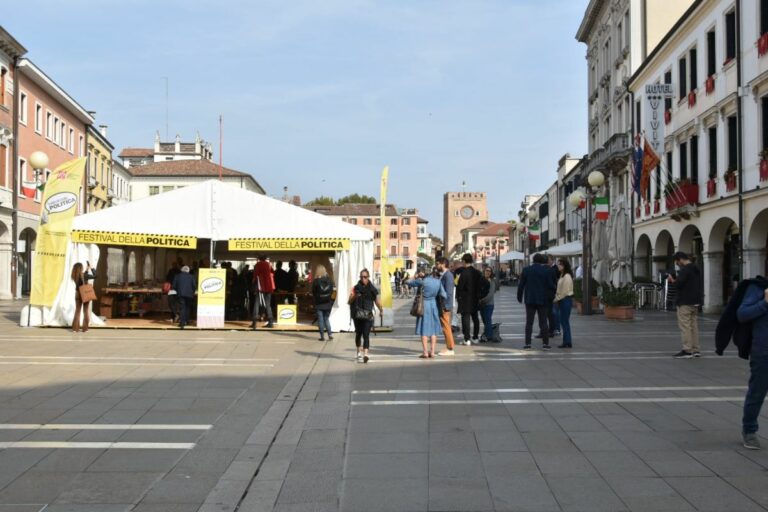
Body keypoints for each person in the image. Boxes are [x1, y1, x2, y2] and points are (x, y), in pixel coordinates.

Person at [737, 282, 768, 449]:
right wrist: (765, 303)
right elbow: (742, 314)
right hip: (764, 352)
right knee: (757, 392)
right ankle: (749, 429)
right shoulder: (757, 289)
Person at [667, 251, 703, 358]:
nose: (678, 264)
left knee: (685, 326)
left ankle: (687, 350)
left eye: (677, 262)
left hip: (685, 301)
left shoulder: (685, 270)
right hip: (695, 301)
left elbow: (678, 284)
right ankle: (696, 349)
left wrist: (672, 280)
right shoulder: (696, 269)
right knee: (694, 326)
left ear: (681, 259)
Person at [517, 253, 556, 350]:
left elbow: (521, 285)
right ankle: (545, 344)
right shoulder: (546, 271)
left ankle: (528, 344)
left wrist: (519, 297)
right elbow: (551, 285)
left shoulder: (526, 270)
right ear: (542, 261)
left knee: (529, 322)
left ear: (533, 260)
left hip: (530, 299)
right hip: (543, 300)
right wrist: (553, 293)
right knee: (543, 322)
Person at [407, 268, 448, 358]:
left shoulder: (423, 281)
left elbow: (409, 282)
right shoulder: (438, 282)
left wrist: (415, 277)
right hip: (434, 306)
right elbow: (444, 295)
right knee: (433, 330)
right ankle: (432, 352)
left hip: (423, 306)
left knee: (424, 329)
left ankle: (425, 352)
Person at [349, 269, 383, 363]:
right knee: (358, 334)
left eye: (365, 277)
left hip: (368, 314)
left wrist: (381, 309)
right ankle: (358, 352)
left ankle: (366, 355)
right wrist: (355, 296)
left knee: (366, 334)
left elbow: (376, 300)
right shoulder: (355, 288)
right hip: (357, 315)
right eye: (361, 277)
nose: (363, 279)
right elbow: (349, 301)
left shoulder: (372, 289)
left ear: (368, 277)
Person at [456, 253, 482, 345]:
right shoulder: (478, 272)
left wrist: (458, 297)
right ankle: (475, 337)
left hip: (465, 299)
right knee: (475, 318)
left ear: (464, 261)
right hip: (475, 299)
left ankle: (467, 339)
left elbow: (459, 286)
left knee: (465, 319)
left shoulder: (463, 273)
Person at [436, 257, 456, 355]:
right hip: (444, 305)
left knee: (446, 327)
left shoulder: (448, 276)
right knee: (445, 326)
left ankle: (450, 348)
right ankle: (449, 347)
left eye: (438, 264)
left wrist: (444, 306)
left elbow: (448, 293)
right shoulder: (445, 275)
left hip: (445, 306)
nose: (437, 266)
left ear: (443, 264)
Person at [538, 254, 560, 339]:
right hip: (550, 295)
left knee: (542, 315)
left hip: (541, 295)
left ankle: (543, 332)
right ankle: (551, 331)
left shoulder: (539, 270)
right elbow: (554, 282)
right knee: (550, 314)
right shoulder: (551, 270)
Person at [554, 259, 574, 348]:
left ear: (564, 266)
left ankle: (567, 341)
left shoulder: (567, 276)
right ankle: (567, 341)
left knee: (564, 321)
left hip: (565, 299)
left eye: (560, 265)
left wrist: (557, 299)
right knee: (564, 321)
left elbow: (565, 291)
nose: (558, 266)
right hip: (563, 299)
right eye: (558, 264)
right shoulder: (562, 275)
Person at [71, 262, 96, 333]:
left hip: (77, 294)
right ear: (81, 268)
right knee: (85, 311)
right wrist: (92, 268)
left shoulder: (74, 275)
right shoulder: (85, 275)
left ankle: (75, 329)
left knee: (77, 311)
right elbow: (95, 275)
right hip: (85, 293)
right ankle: (85, 329)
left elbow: (82, 276)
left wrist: (87, 270)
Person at [312, 265, 335, 341]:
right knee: (326, 319)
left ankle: (322, 336)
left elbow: (313, 292)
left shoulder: (316, 281)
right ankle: (330, 334)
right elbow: (332, 291)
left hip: (319, 303)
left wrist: (317, 298)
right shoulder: (330, 281)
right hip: (327, 303)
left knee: (320, 320)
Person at [252, 255, 275, 329]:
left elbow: (255, 276)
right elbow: (272, 274)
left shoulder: (258, 265)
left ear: (259, 258)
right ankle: (271, 322)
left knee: (256, 303)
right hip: (269, 286)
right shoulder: (269, 264)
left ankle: (254, 322)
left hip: (260, 286)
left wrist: (253, 284)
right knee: (268, 304)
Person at [172, 265, 196, 329]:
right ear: (188, 270)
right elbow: (194, 286)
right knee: (187, 307)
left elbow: (173, 286)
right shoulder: (191, 277)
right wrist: (192, 292)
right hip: (189, 294)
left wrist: (178, 290)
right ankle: (187, 321)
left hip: (180, 294)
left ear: (181, 270)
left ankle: (182, 323)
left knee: (182, 308)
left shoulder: (177, 276)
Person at [479, 267, 497, 343]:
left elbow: (490, 294)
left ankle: (488, 336)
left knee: (488, 320)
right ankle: (487, 333)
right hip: (482, 304)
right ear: (484, 271)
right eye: (486, 270)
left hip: (489, 304)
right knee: (484, 320)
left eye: (489, 271)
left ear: (491, 273)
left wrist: (482, 300)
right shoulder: (481, 280)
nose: (488, 272)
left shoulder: (492, 282)